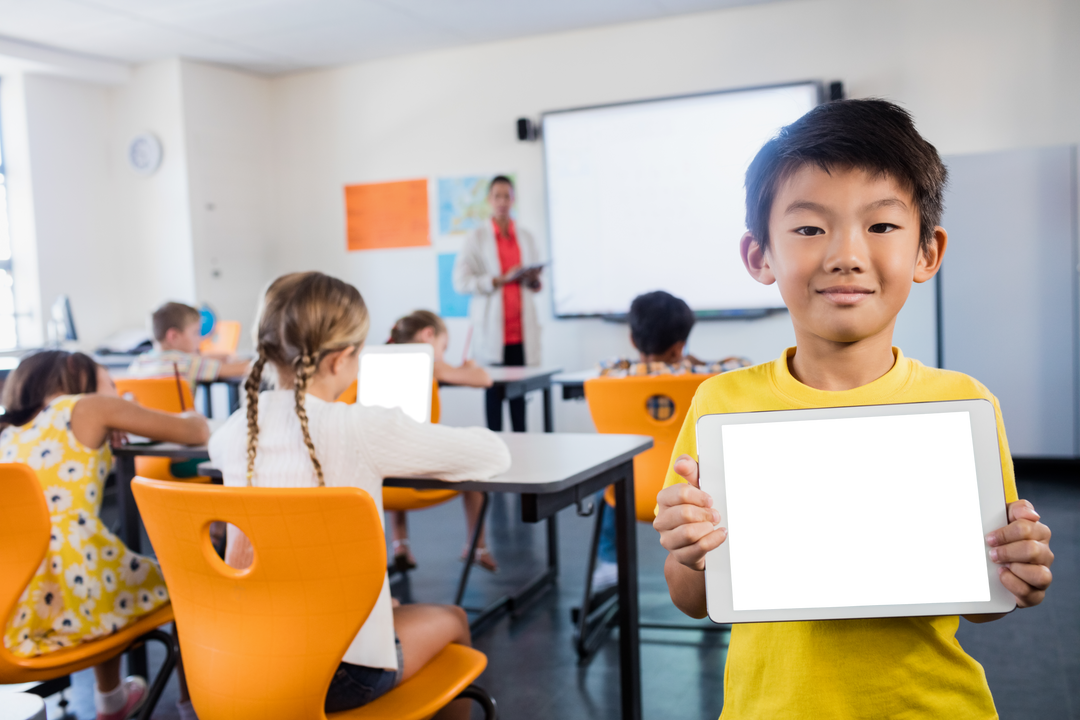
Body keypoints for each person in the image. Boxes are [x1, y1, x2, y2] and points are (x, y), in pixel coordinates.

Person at [654, 99, 1054, 719]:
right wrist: (686, 549)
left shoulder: (962, 403)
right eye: (810, 228)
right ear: (761, 255)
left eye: (882, 226)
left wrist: (1018, 566)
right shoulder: (721, 404)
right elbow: (694, 598)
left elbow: (983, 593)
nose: (846, 254)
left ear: (927, 251)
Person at [208, 273, 510, 717]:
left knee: (391, 608)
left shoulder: (233, 434)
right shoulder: (361, 426)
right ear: (342, 359)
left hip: (246, 661)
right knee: (454, 620)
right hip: (342, 672)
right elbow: (493, 455)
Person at [1, 350, 209, 720]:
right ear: (76, 372)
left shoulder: (7, 432)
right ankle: (192, 707)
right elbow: (196, 431)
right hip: (75, 589)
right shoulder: (90, 407)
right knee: (183, 582)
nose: (114, 392)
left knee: (104, 568)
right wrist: (128, 407)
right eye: (109, 382)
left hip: (15, 604)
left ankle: (112, 699)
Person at [591, 291, 749, 592]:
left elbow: (610, 363)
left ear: (634, 340)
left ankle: (610, 562)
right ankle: (718, 563)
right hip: (694, 494)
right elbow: (741, 364)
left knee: (609, 478)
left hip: (630, 492)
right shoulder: (709, 377)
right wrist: (689, 360)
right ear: (681, 345)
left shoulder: (609, 376)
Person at [388, 310, 499, 573]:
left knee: (392, 448)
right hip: (415, 483)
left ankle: (400, 545)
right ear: (428, 335)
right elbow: (485, 380)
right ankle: (477, 546)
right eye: (443, 346)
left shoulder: (377, 361)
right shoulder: (432, 364)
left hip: (381, 488)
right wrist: (469, 366)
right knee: (472, 467)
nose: (443, 354)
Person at [453, 176, 543, 432]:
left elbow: (536, 286)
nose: (503, 201)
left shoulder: (525, 237)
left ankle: (522, 456)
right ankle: (494, 453)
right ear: (489, 200)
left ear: (513, 199)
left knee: (519, 398)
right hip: (493, 334)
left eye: (507, 196)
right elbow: (461, 282)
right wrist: (497, 279)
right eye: (497, 196)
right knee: (493, 396)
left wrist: (532, 280)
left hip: (520, 335)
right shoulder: (477, 238)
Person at [128, 301, 250, 389]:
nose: (200, 338)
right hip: (181, 424)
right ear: (173, 336)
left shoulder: (139, 363)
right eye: (195, 332)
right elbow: (243, 369)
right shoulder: (188, 363)